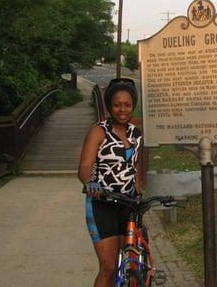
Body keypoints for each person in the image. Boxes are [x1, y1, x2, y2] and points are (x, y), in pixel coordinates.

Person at [78, 77, 143, 287]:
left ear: (133, 105)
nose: (122, 109)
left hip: (128, 204)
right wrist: (91, 184)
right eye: (117, 105)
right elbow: (84, 168)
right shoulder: (99, 131)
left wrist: (138, 189)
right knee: (108, 267)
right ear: (109, 106)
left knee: (131, 263)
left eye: (127, 105)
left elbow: (136, 165)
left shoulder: (136, 133)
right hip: (102, 204)